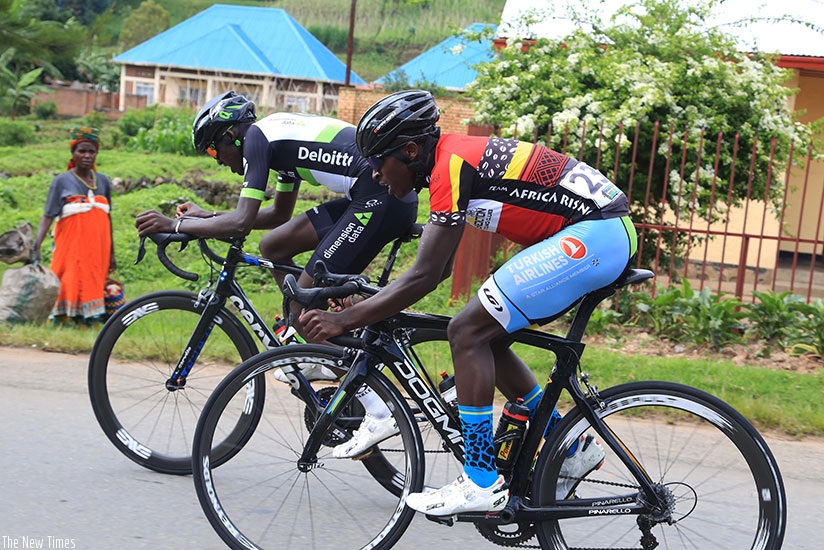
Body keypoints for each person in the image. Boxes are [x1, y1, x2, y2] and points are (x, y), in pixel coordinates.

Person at [300, 90, 638, 515]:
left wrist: (345, 319)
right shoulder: (452, 160)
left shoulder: (449, 166)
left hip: (596, 236)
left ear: (409, 150)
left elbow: (424, 275)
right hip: (597, 233)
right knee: (488, 339)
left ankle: (480, 479)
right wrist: (371, 300)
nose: (376, 175)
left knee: (466, 332)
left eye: (377, 163)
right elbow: (438, 270)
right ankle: (568, 450)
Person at [134, 92, 417, 446]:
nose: (218, 161)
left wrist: (174, 226)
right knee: (274, 246)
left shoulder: (256, 138)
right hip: (370, 195)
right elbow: (277, 216)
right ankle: (319, 347)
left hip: (380, 197)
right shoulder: (272, 138)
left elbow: (240, 223)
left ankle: (377, 410)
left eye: (212, 150)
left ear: (228, 136)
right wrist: (206, 216)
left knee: (304, 306)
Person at [32, 127, 116, 326]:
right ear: (73, 153)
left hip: (98, 247)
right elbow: (48, 215)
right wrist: (36, 244)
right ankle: (64, 321)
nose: (87, 156)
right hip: (70, 246)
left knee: (93, 280)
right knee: (68, 279)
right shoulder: (61, 181)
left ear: (97, 153)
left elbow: (108, 217)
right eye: (82, 151)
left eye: (91, 151)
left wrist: (112, 252)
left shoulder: (103, 181)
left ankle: (90, 322)